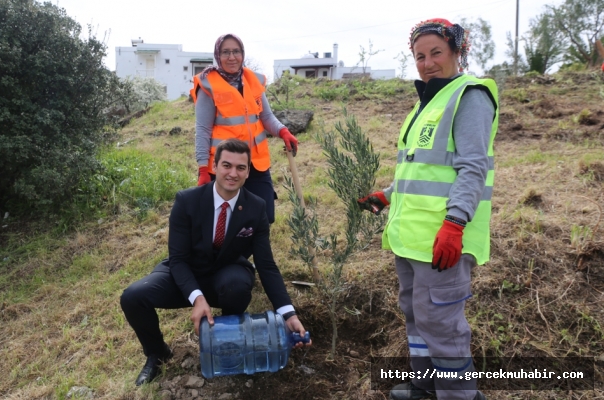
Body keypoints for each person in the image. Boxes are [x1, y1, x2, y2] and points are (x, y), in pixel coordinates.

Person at [357, 18, 498, 400]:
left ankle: (458, 396)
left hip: (442, 240)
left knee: (443, 324)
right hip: (412, 239)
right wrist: (387, 194)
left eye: (436, 52)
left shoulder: (468, 97)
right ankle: (426, 387)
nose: (427, 63)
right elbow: (420, 168)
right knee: (418, 317)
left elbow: (472, 168)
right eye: (419, 56)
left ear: (457, 51)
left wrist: (455, 223)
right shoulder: (427, 102)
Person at [120, 139, 310, 386]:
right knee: (133, 297)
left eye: (241, 168)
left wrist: (288, 313)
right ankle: (157, 354)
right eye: (226, 165)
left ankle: (228, 341)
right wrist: (197, 298)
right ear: (215, 165)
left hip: (226, 272)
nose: (233, 173)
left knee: (238, 286)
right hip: (185, 272)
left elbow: (266, 264)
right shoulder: (187, 201)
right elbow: (177, 259)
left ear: (248, 171)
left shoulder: (256, 207)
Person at [190, 33, 299, 224]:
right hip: (227, 166)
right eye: (226, 52)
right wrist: (203, 169)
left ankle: (257, 252)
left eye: (236, 51)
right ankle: (233, 254)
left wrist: (283, 131)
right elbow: (203, 130)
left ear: (242, 53)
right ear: (218, 55)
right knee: (230, 221)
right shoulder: (208, 85)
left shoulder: (252, 80)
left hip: (256, 163)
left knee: (264, 216)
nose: (232, 57)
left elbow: (266, 116)